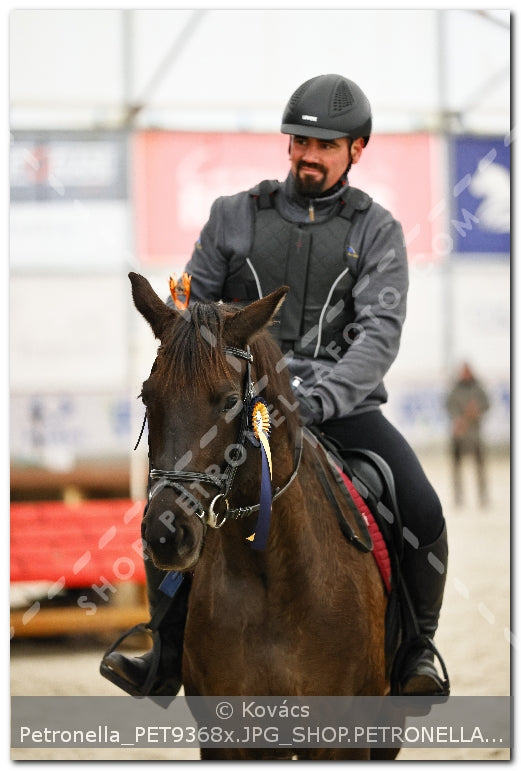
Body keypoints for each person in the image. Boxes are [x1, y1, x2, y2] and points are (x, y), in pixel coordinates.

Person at [101, 73, 449, 700]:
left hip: (337, 411)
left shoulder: (378, 231)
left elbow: (378, 335)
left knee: (421, 509)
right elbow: (193, 320)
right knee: (171, 497)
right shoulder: (232, 216)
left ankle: (417, 651)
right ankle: (167, 649)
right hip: (235, 406)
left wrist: (315, 401)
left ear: (357, 149)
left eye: (327, 145)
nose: (309, 155)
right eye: (300, 142)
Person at [446, 361, 490, 507]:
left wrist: (477, 410)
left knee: (480, 466)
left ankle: (483, 496)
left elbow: (486, 404)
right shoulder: (455, 389)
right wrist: (457, 418)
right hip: (458, 434)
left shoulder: (478, 388)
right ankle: (458, 497)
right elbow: (449, 405)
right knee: (457, 467)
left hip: (474, 434)